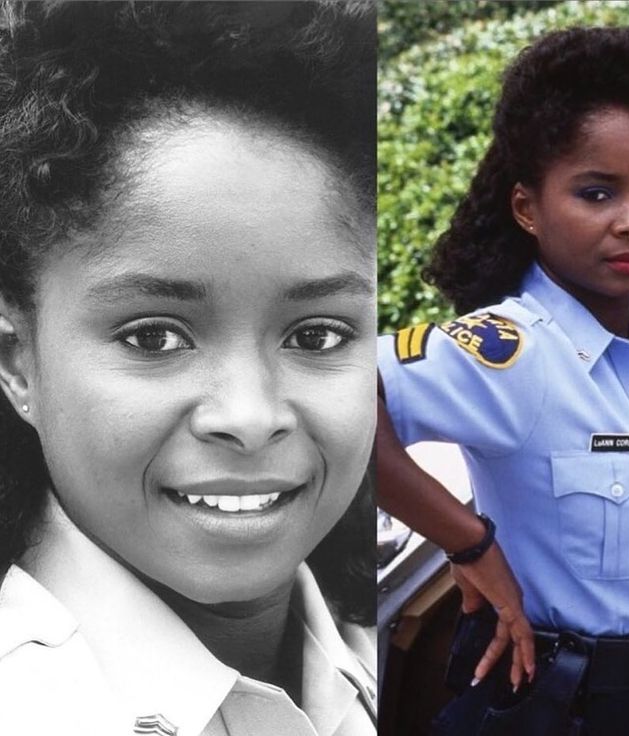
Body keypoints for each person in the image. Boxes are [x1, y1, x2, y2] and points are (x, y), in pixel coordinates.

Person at [0, 2, 376, 735]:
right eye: (152, 339)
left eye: (319, 335)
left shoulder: (376, 639)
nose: (249, 416)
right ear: (18, 364)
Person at [378, 25, 629, 735]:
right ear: (527, 208)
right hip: (552, 706)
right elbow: (319, 393)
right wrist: (469, 545)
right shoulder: (509, 356)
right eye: (597, 194)